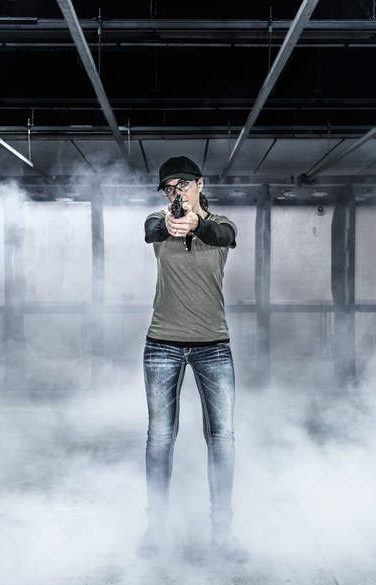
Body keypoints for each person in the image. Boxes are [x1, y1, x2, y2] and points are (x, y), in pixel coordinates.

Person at [138, 156, 246, 561]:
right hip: (162, 344)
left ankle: (223, 531)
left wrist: (197, 224)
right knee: (159, 438)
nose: (176, 192)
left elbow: (224, 235)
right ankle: (155, 528)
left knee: (222, 439)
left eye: (182, 184)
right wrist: (170, 223)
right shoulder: (159, 220)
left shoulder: (221, 224)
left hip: (212, 344)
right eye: (169, 187)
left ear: (200, 183)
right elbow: (150, 230)